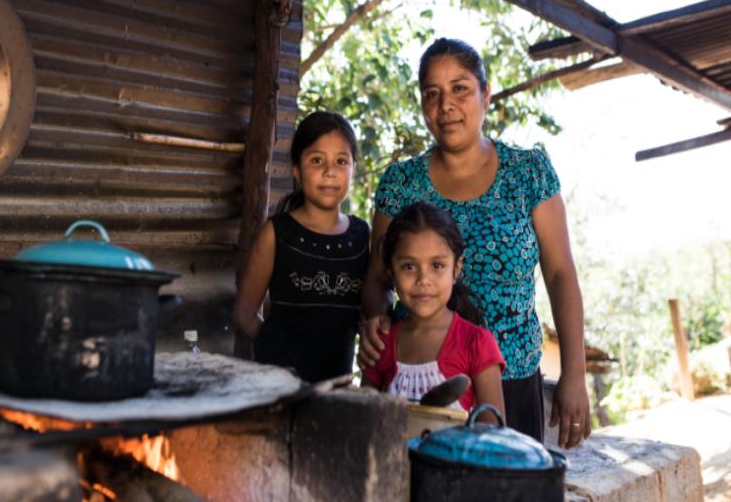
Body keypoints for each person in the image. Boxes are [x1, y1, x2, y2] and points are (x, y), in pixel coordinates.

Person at [359, 38, 591, 447]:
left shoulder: (528, 172)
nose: (446, 105)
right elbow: (378, 278)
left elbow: (559, 273)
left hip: (513, 379)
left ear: (486, 93)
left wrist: (574, 373)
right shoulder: (400, 183)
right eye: (432, 94)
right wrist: (375, 322)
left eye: (460, 88)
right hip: (418, 384)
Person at [233, 111, 369, 383]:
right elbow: (244, 313)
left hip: (337, 391)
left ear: (353, 169)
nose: (329, 171)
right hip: (280, 389)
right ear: (296, 168)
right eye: (317, 160)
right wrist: (276, 353)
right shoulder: (276, 233)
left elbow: (369, 311)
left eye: (341, 161)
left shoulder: (362, 236)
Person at [360, 202, 505, 420]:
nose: (423, 280)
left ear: (456, 270)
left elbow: (494, 435)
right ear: (391, 272)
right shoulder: (382, 342)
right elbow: (363, 418)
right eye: (409, 266)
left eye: (436, 265)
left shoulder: (477, 343)